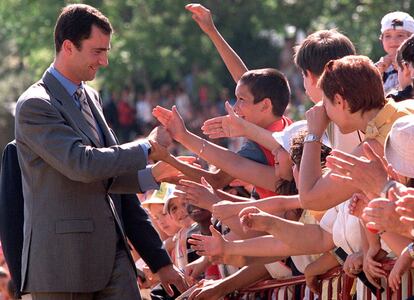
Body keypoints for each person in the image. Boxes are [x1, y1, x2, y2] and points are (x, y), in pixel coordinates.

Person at [14, 4, 186, 300]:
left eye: (106, 51)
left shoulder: (91, 96)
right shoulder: (35, 104)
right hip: (63, 268)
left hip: (114, 262)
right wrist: (147, 147)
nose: (104, 61)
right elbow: (82, 164)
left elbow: (109, 175)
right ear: (68, 47)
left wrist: (160, 261)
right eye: (97, 51)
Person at [375, 11, 414, 95]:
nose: (393, 41)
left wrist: (402, 70)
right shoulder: (378, 67)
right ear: (381, 39)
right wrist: (378, 74)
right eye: (387, 36)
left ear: (411, 39)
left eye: (400, 35)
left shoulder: (412, 65)